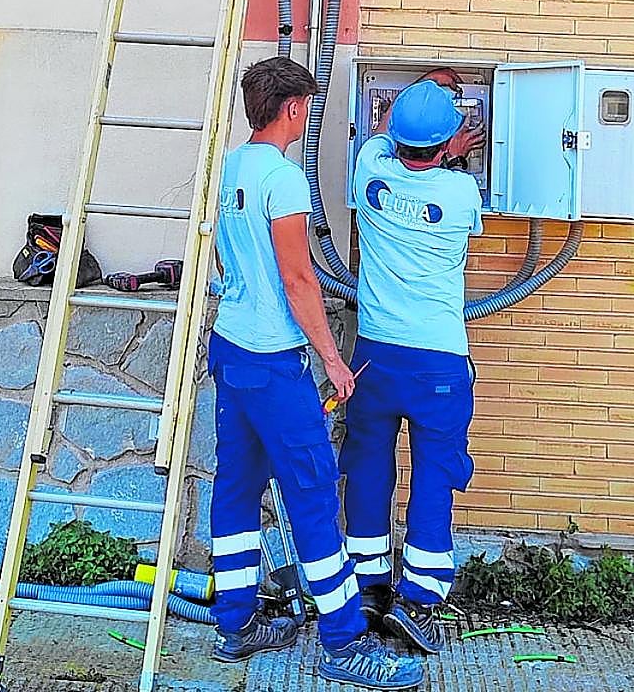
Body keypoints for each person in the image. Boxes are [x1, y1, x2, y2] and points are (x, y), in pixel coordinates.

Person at [208, 56, 423, 690]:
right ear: (295, 108)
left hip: (231, 349)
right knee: (312, 495)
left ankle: (236, 622)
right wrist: (332, 356)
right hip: (276, 362)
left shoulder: (228, 167)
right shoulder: (281, 178)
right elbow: (300, 278)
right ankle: (343, 644)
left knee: (237, 487)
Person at [340, 73, 487, 654]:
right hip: (437, 362)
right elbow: (444, 184)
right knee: (436, 472)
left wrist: (418, 100)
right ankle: (421, 600)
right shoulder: (460, 194)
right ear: (449, 145)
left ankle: (369, 585)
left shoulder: (368, 172)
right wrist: (452, 153)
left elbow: (379, 135)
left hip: (374, 354)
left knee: (369, 464)